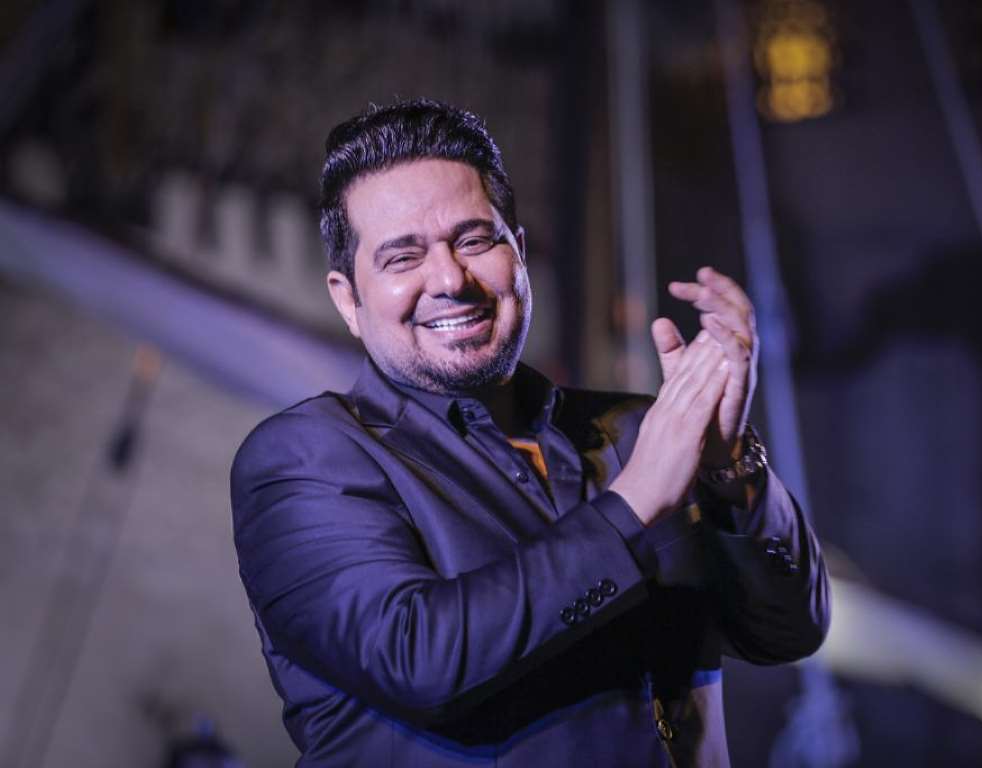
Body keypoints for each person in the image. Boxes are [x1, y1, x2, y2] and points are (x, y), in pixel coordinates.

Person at [231, 98, 829, 768]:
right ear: (348, 297)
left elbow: (789, 631)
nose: (450, 279)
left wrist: (728, 466)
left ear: (517, 250)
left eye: (473, 240)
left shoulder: (638, 432)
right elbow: (416, 658)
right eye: (403, 257)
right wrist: (633, 505)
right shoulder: (307, 457)